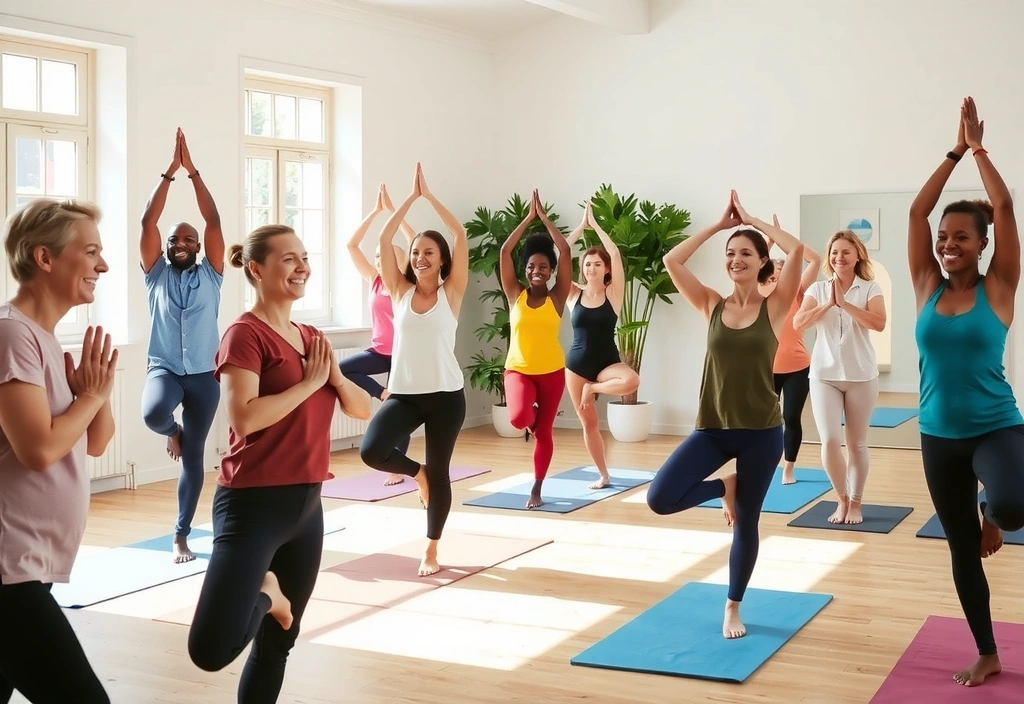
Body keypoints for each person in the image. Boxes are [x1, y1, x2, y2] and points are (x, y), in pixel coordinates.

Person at [187, 224, 371, 703]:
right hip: (252, 507)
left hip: (307, 506)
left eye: (304, 257)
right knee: (210, 648)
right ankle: (269, 594)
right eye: (288, 259)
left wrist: (331, 375)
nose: (301, 266)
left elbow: (361, 409)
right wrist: (310, 385)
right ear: (256, 268)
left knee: (276, 648)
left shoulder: (311, 337)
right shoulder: (244, 335)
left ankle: (274, 603)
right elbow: (244, 419)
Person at [647, 190, 805, 640]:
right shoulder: (711, 304)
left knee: (748, 522)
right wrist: (718, 226)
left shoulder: (775, 307)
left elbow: (797, 251)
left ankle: (733, 606)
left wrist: (755, 220)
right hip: (713, 430)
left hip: (761, 434)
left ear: (761, 263)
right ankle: (723, 485)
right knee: (661, 499)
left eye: (745, 254)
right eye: (730, 254)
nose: (736, 259)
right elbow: (672, 262)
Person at [908, 96, 1024, 688]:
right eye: (945, 236)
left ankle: (992, 513)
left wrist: (978, 149)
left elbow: (1002, 205)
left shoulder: (1000, 285)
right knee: (961, 551)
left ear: (982, 245)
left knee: (1012, 505)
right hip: (937, 436)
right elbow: (915, 213)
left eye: (962, 236)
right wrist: (949, 150)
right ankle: (987, 650)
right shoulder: (925, 282)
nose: (948, 242)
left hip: (996, 426)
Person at [0, 199, 118, 704]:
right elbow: (40, 450)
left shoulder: (45, 338)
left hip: (35, 564)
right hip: (9, 570)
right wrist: (88, 397)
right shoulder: (11, 334)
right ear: (45, 258)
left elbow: (96, 441)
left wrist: (99, 390)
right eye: (90, 252)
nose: (103, 265)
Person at [358, 163, 469, 577]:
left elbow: (459, 235)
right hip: (404, 394)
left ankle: (431, 549)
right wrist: (409, 199)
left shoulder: (452, 292)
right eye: (417, 252)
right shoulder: (398, 289)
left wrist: (430, 197)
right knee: (371, 451)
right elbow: (386, 237)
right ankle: (416, 474)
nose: (420, 257)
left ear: (442, 261)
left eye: (428, 253)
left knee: (441, 473)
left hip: (444, 397)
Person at [140, 128, 224, 563]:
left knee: (195, 458)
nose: (181, 244)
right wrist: (169, 173)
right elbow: (147, 223)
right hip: (166, 369)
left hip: (206, 378)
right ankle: (174, 432)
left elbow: (212, 221)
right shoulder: (155, 272)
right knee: (154, 412)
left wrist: (194, 173)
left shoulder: (212, 274)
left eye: (188, 240)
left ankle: (181, 535)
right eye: (176, 240)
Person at [793, 230, 886, 524]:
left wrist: (846, 304)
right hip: (824, 375)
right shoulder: (817, 291)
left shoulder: (871, 289)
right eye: (834, 253)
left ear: (857, 255)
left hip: (861, 375)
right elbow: (798, 323)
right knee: (830, 441)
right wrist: (829, 304)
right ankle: (841, 499)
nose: (838, 258)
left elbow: (879, 323)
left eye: (845, 252)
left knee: (857, 444)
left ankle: (856, 502)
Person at [500, 189, 572, 508]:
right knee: (518, 418)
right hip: (518, 370)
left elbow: (566, 250)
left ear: (551, 271)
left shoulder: (557, 297)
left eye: (543, 266)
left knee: (544, 434)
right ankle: (532, 416)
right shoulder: (515, 293)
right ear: (525, 269)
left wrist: (545, 220)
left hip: (553, 373)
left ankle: (537, 488)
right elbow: (504, 252)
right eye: (531, 266)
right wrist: (528, 220)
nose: (536, 271)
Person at [343, 182, 416, 486]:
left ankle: (397, 467)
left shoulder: (407, 284)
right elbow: (351, 245)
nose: (377, 259)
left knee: (401, 415)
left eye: (382, 255)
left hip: (402, 354)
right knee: (344, 367)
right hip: (379, 351)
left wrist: (397, 213)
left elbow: (414, 239)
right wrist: (375, 212)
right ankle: (382, 393)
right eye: (375, 256)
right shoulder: (373, 280)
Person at [564, 203, 640, 490]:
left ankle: (593, 389)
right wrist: (578, 229)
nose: (591, 267)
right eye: (587, 264)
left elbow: (617, 253)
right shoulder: (573, 293)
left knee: (632, 380)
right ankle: (603, 474)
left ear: (606, 269)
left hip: (607, 363)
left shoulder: (614, 293)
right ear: (582, 269)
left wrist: (595, 225)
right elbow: (560, 255)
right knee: (589, 423)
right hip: (576, 365)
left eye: (597, 263)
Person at [757, 220, 822, 484]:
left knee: (791, 418)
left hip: (797, 367)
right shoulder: (759, 294)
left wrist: (784, 237)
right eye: (773, 274)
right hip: (765, 369)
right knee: (763, 420)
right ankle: (762, 464)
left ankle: (788, 467)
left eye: (783, 273)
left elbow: (815, 261)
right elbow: (756, 270)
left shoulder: (797, 293)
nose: (778, 278)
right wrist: (768, 243)